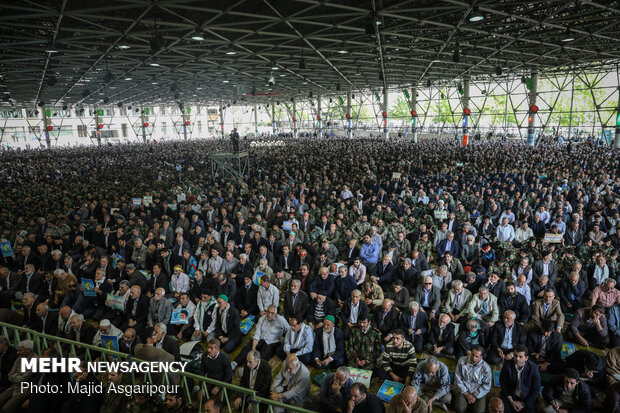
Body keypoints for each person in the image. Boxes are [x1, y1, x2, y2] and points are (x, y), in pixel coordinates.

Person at [233, 304, 289, 368]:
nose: (270, 315)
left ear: (276, 313)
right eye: (268, 312)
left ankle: (250, 368)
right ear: (266, 311)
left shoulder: (281, 320)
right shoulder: (262, 318)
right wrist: (253, 349)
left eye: (272, 313)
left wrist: (287, 343)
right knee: (248, 348)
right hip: (261, 339)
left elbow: (289, 331)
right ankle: (235, 363)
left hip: (273, 342)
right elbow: (257, 334)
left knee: (263, 354)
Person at [499, 345, 541, 413]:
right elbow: (503, 383)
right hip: (510, 396)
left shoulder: (534, 369)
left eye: (520, 357)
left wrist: (523, 404)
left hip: (526, 398)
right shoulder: (507, 365)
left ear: (526, 358)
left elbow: (536, 390)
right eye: (515, 355)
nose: (517, 358)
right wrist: (511, 401)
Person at [454, 345, 492, 413]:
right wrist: (466, 393)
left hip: (478, 392)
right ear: (470, 353)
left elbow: (487, 386)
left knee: (479, 411)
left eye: (477, 356)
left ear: (481, 357)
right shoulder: (461, 361)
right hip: (464, 390)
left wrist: (475, 395)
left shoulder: (486, 368)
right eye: (472, 355)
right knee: (459, 409)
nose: (473, 358)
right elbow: (457, 379)